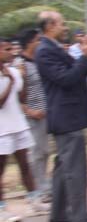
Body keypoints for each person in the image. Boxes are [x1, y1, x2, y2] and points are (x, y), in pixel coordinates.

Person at [35, 11, 87, 222]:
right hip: (65, 117)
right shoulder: (44, 51)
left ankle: (58, 216)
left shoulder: (53, 48)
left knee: (62, 168)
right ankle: (81, 218)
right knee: (75, 169)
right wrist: (85, 56)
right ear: (50, 25)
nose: (65, 27)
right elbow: (66, 79)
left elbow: (74, 73)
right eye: (61, 23)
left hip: (68, 115)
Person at [0, 37, 47, 222]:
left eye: (11, 48)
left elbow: (21, 98)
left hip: (18, 125)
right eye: (6, 49)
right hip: (2, 130)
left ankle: (34, 201)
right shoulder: (9, 76)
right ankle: (2, 209)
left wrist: (23, 78)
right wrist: (10, 81)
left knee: (25, 166)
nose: (11, 52)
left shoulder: (13, 71)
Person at [16, 29, 51, 204]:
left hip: (43, 113)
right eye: (38, 40)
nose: (41, 43)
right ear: (30, 42)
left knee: (44, 152)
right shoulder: (20, 64)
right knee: (35, 153)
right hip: (30, 115)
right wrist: (29, 111)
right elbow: (16, 94)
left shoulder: (38, 60)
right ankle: (38, 191)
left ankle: (43, 186)